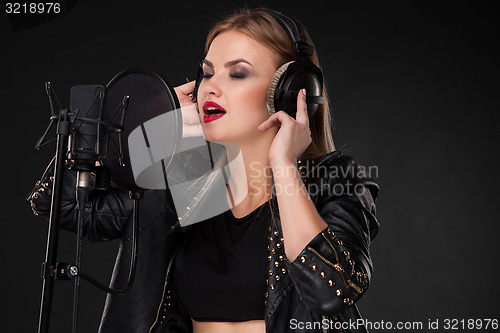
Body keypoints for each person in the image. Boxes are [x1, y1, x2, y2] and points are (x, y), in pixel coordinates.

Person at [29, 7, 380, 333]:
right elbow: (62, 204)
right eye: (208, 73)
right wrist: (126, 131)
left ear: (292, 92)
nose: (210, 87)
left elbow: (330, 295)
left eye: (238, 73)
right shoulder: (191, 178)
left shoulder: (333, 180)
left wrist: (284, 166)